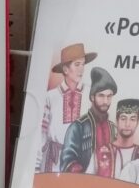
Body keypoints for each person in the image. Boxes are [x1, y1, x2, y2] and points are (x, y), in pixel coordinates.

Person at [36, 43, 97, 172]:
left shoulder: (91, 94)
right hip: (54, 160)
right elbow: (41, 134)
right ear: (65, 69)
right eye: (77, 64)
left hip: (81, 160)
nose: (81, 69)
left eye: (83, 64)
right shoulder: (50, 96)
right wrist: (36, 164)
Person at [60, 67, 117, 176]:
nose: (106, 101)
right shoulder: (78, 127)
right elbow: (67, 160)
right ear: (92, 97)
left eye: (109, 96)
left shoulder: (113, 128)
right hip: (84, 184)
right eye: (101, 96)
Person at [112, 99, 139, 178]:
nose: (127, 124)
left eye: (132, 119)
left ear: (137, 122)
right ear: (117, 120)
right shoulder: (99, 153)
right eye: (123, 118)